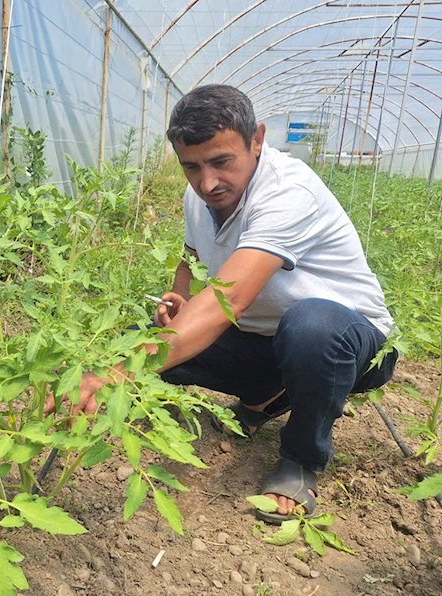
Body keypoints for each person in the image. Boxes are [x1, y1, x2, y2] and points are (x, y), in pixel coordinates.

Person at [45, 84, 398, 523]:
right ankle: (267, 393)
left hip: (350, 343)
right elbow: (190, 257)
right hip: (263, 337)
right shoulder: (198, 197)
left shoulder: (288, 192)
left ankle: (302, 458)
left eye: (221, 161)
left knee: (310, 326)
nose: (207, 182)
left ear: (256, 140)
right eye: (190, 166)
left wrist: (114, 373)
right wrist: (178, 303)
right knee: (145, 340)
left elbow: (229, 297)